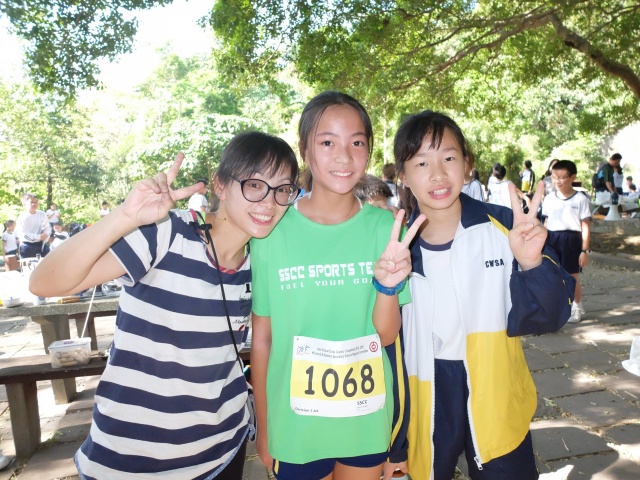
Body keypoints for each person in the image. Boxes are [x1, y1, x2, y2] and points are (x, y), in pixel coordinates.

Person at [29, 131, 300, 480]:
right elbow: (45, 282)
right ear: (220, 185)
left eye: (282, 189)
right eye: (254, 185)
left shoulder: (260, 261)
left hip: (222, 452)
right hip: (130, 459)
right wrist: (125, 217)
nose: (269, 202)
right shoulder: (166, 233)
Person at [250, 91, 426, 480]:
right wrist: (264, 425)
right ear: (305, 150)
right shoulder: (271, 232)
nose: (344, 156)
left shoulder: (386, 229)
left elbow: (387, 335)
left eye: (357, 143)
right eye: (327, 142)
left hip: (365, 419)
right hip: (294, 422)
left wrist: (387, 288)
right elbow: (262, 339)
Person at [393, 110, 574, 480]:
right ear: (403, 175)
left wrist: (531, 264)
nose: (438, 174)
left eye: (448, 158)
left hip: (497, 387)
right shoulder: (395, 249)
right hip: (425, 390)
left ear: (467, 164)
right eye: (422, 162)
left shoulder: (506, 227)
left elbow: (552, 315)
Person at [541, 160, 591, 324]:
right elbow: (545, 222)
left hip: (572, 240)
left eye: (562, 178)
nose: (558, 181)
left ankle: (576, 307)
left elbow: (585, 227)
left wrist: (584, 251)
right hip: (552, 239)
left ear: (572, 177)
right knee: (552, 275)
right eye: (554, 177)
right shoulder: (549, 199)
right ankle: (556, 307)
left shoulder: (580, 199)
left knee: (572, 276)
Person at [16, 193, 51, 259]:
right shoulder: (22, 217)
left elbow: (47, 227)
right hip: (27, 245)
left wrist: (46, 235)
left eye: (36, 202)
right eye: (31, 202)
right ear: (25, 204)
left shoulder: (42, 214)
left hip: (41, 244)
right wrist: (38, 237)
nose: (34, 204)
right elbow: (23, 234)